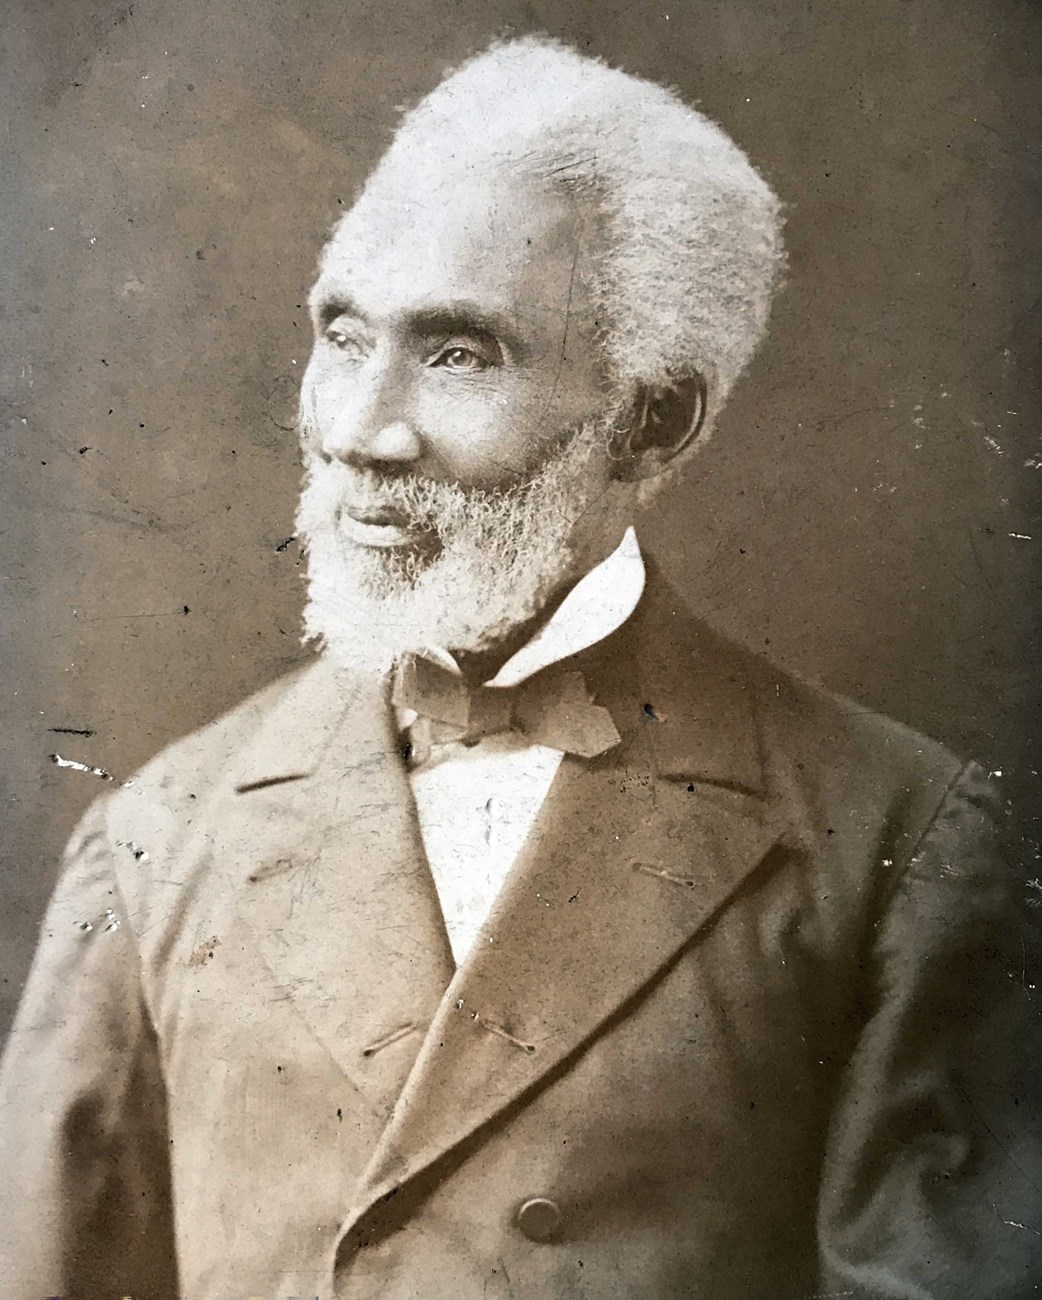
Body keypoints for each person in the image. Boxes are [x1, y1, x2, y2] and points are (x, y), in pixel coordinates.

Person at [1, 34, 1039, 1300]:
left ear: (652, 419)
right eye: (343, 334)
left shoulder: (891, 842)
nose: (358, 429)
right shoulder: (156, 837)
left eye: (457, 354)